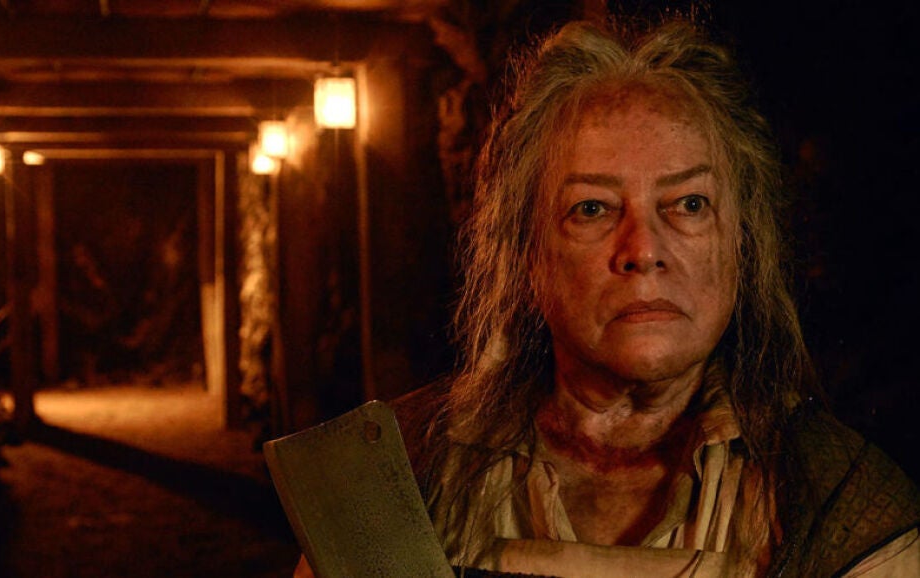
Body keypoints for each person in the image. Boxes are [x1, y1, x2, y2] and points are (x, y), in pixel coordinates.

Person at [294, 18, 919, 578]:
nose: (642, 249)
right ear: (528, 254)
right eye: (592, 208)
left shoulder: (839, 505)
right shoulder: (391, 484)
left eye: (689, 204)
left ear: (741, 241)